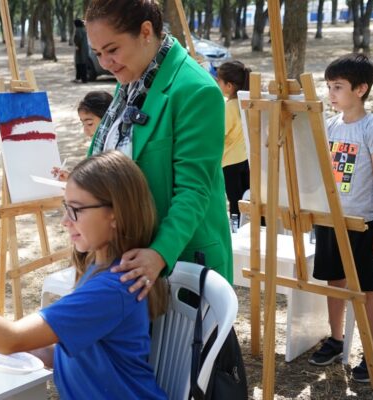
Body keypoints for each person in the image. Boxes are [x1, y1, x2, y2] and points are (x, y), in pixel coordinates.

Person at [0, 151, 168, 399]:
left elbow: (11, 338)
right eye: (65, 207)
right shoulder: (99, 268)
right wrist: (4, 347)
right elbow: (73, 353)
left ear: (115, 215)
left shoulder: (114, 286)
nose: (65, 220)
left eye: (75, 209)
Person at [84, 0, 233, 298]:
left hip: (180, 261)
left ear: (146, 31)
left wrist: (159, 254)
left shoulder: (196, 90)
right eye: (98, 53)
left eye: (112, 50)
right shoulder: (132, 76)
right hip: (129, 255)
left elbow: (193, 190)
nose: (104, 62)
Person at [307, 54, 373, 383]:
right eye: (329, 86)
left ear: (360, 89)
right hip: (332, 221)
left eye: (337, 87)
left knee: (367, 291)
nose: (331, 93)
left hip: (363, 224)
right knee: (335, 282)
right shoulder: (331, 125)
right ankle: (336, 339)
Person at [215, 61, 251, 220]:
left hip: (230, 162)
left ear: (229, 86)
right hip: (245, 159)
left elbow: (219, 133)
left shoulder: (229, 107)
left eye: (218, 80)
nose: (217, 83)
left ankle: (236, 232)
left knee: (235, 203)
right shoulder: (246, 103)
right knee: (247, 199)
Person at [52, 91, 113, 181]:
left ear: (108, 120)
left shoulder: (116, 151)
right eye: (83, 124)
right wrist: (72, 179)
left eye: (90, 123)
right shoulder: (98, 148)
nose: (85, 132)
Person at [73, 18, 89, 83]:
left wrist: (77, 45)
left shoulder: (78, 30)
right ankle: (84, 78)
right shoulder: (83, 29)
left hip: (80, 49)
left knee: (79, 63)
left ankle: (79, 78)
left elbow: (78, 38)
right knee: (84, 64)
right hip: (84, 49)